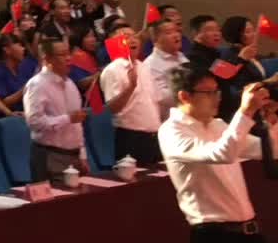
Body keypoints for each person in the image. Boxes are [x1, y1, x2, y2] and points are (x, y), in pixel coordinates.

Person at [158, 69, 278, 243]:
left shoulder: (219, 125)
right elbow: (220, 154)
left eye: (217, 91)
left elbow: (267, 151)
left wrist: (271, 123)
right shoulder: (172, 131)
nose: (217, 98)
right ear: (185, 96)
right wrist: (245, 112)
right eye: (208, 92)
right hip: (215, 238)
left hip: (249, 234)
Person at [23, 38, 88, 180]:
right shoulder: (37, 85)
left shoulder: (70, 84)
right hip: (50, 155)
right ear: (47, 59)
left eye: (68, 53)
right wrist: (67, 119)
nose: (68, 58)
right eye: (62, 55)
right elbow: (34, 122)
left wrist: (82, 154)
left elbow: (77, 124)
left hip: (74, 156)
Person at [98, 23, 162, 164]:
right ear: (115, 44)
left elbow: (155, 102)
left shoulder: (144, 67)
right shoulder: (113, 70)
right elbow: (112, 108)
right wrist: (131, 87)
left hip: (153, 137)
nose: (133, 40)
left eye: (134, 36)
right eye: (126, 37)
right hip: (130, 137)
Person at [145, 18, 189, 121]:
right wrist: (190, 93)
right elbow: (161, 96)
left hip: (189, 114)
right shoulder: (150, 64)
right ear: (155, 39)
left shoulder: (182, 57)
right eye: (169, 32)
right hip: (168, 120)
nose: (176, 35)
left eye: (177, 31)